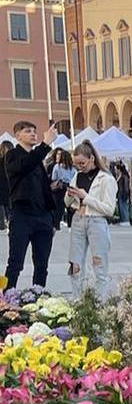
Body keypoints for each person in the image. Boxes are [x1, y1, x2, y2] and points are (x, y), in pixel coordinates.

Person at [4, 121, 58, 289]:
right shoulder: (12, 155)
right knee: (15, 263)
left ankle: (38, 296)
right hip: (22, 216)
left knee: (42, 265)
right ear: (17, 135)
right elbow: (25, 166)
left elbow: (43, 188)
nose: (33, 134)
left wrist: (52, 219)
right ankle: (6, 297)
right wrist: (45, 144)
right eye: (28, 131)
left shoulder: (38, 159)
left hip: (43, 217)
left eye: (35, 131)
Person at [64, 141, 117, 298]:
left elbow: (109, 209)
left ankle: (100, 300)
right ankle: (77, 298)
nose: (79, 167)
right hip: (78, 219)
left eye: (82, 163)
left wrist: (85, 197)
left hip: (96, 221)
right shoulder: (77, 176)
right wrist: (70, 194)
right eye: (76, 164)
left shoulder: (106, 179)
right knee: (75, 263)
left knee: (99, 263)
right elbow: (66, 202)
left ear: (92, 158)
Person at [0, 141, 11, 231]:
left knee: (3, 205)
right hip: (9, 186)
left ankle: (4, 222)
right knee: (8, 206)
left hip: (5, 186)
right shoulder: (12, 160)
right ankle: (7, 222)